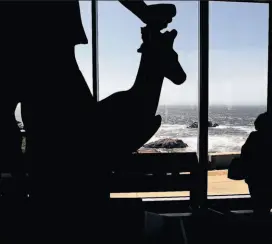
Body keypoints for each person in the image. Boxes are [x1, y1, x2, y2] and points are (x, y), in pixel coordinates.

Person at [0, 1, 177, 239]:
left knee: (55, 144)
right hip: (50, 47)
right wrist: (144, 12)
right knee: (78, 150)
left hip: (36, 42)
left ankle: (39, 205)